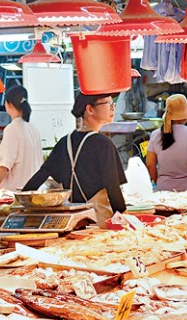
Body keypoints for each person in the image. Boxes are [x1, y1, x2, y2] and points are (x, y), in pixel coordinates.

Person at [22, 93, 126, 226]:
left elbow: (40, 176)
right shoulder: (103, 144)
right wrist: (124, 216)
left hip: (72, 223)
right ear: (90, 109)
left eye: (113, 104)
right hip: (99, 224)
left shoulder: (64, 142)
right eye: (108, 103)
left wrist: (21, 201)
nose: (113, 108)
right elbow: (113, 189)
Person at [146, 94, 187, 192]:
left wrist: (158, 181)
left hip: (164, 190)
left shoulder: (155, 135)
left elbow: (149, 164)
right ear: (186, 116)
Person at [0, 86, 44, 191]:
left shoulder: (11, 129)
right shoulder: (33, 128)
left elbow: (4, 166)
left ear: (8, 104)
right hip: (34, 191)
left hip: (15, 193)